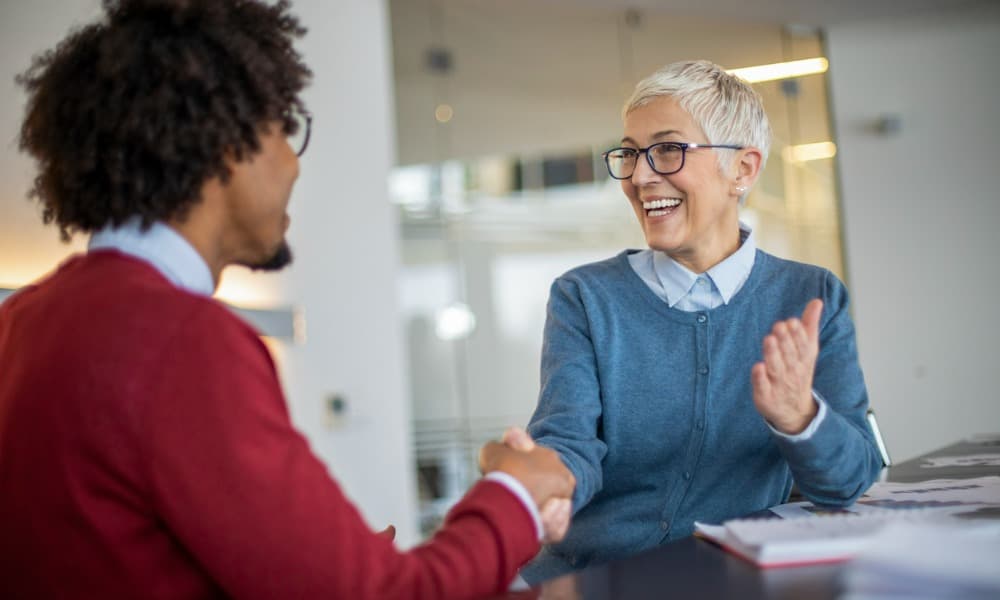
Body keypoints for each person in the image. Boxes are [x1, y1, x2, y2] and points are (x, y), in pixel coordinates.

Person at [0, 1, 573, 598]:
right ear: (227, 141)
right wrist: (515, 494)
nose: (294, 166)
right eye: (283, 129)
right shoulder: (185, 341)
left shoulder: (23, 320)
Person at [520, 60, 883, 582]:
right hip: (590, 578)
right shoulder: (584, 297)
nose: (641, 176)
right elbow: (568, 443)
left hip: (728, 582)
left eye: (668, 150)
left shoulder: (810, 296)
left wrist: (799, 417)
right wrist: (539, 481)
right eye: (631, 154)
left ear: (744, 169)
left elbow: (849, 483)